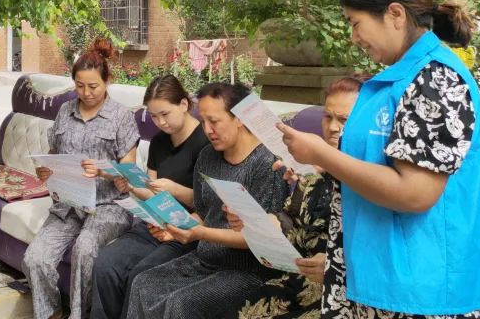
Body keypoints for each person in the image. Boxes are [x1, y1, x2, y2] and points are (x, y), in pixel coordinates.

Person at [278, 0, 480, 319]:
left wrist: (322, 154)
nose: (353, 37)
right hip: (379, 277)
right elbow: (374, 165)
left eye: (355, 23)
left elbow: (415, 193)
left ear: (395, 14)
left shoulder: (435, 80)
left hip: (422, 291)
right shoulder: (397, 80)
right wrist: (318, 163)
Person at [125, 82, 291, 319]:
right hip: (206, 259)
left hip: (249, 270)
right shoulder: (207, 156)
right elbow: (203, 214)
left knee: (181, 303)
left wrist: (198, 234)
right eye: (203, 121)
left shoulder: (268, 164)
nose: (207, 130)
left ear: (239, 118)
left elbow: (263, 240)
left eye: (214, 121)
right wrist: (176, 228)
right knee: (143, 282)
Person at [225, 77, 362, 319]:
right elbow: (290, 221)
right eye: (328, 117)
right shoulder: (311, 171)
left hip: (346, 293)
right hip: (298, 280)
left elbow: (382, 249)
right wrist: (257, 221)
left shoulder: (373, 180)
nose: (333, 127)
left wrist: (335, 265)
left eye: (344, 120)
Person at [23, 39, 141, 319]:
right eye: (79, 86)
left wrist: (103, 170)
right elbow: (54, 155)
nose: (86, 93)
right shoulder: (65, 112)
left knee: (85, 251)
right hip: (69, 204)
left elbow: (130, 173)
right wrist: (46, 171)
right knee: (35, 258)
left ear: (107, 81)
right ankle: (52, 313)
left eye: (93, 86)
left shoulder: (121, 117)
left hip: (109, 206)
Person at [90, 74, 210, 319]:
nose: (160, 122)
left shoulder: (206, 143)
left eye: (165, 114)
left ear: (184, 104)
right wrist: (130, 186)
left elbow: (208, 205)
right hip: (155, 223)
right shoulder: (158, 142)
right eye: (154, 116)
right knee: (105, 263)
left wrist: (174, 190)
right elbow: (151, 190)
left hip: (187, 231)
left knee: (140, 275)